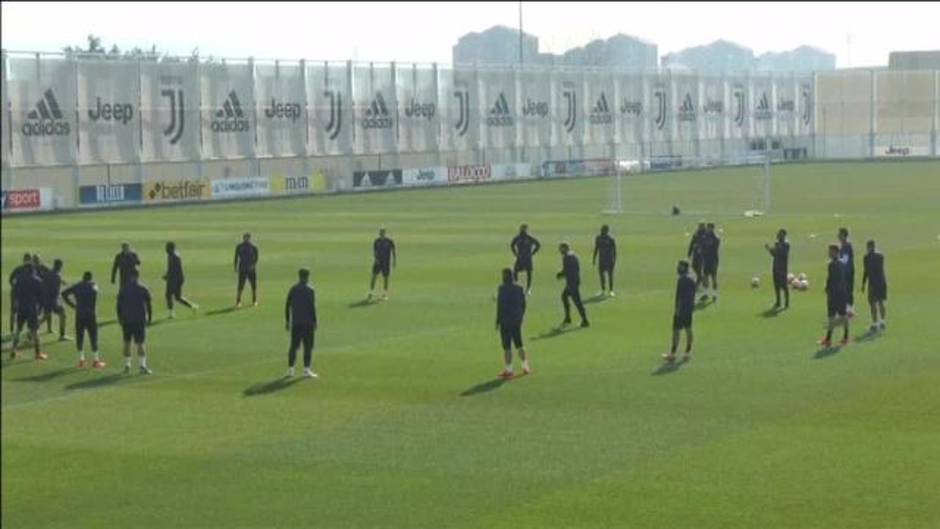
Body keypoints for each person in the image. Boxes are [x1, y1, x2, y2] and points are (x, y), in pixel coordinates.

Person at [62, 271, 105, 369]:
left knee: (80, 337)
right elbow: (96, 290)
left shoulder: (77, 286)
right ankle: (96, 361)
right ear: (90, 278)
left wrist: (72, 305)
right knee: (93, 337)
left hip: (80, 314)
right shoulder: (93, 286)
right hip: (91, 315)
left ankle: (81, 360)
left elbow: (64, 293)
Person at [9, 262, 47, 360]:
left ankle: (13, 350)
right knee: (35, 331)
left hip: (21, 307)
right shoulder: (37, 280)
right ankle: (37, 353)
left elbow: (14, 294)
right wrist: (40, 309)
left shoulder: (19, 280)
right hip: (32, 309)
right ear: (32, 269)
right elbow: (42, 297)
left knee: (18, 330)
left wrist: (15, 306)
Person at [117, 270, 153, 374]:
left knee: (127, 343)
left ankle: (127, 366)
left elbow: (118, 305)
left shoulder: (123, 289)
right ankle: (142, 367)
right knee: (140, 343)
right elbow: (149, 304)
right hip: (139, 320)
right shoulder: (143, 289)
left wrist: (119, 317)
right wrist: (149, 318)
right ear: (137, 276)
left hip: (126, 320)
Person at [496, 267, 529, 379]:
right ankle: (525, 367)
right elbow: (523, 304)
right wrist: (520, 317)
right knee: (519, 344)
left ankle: (509, 370)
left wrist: (497, 320)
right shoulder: (519, 288)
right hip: (516, 321)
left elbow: (500, 306)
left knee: (507, 347)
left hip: (505, 321)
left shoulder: (502, 288)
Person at [285, 267, 318, 378]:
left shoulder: (293, 289)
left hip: (296, 322)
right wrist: (315, 321)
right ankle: (306, 370)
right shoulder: (310, 290)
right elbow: (312, 308)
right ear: (307, 276)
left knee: (294, 346)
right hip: (307, 322)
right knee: (308, 346)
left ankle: (291, 369)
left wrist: (287, 321)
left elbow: (287, 305)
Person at [664, 260, 696, 362]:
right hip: (689, 309)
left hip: (681, 310)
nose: (678, 268)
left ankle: (673, 354)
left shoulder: (681, 280)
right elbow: (693, 296)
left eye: (680, 266)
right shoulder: (692, 280)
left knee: (676, 331)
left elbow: (680, 297)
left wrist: (678, 309)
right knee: (688, 329)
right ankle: (687, 352)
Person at [819, 245, 850, 347]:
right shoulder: (841, 263)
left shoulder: (832, 264)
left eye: (831, 252)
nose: (829, 253)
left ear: (836, 252)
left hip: (835, 294)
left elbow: (831, 279)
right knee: (842, 315)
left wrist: (828, 289)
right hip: (842, 293)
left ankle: (829, 339)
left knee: (833, 316)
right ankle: (844, 337)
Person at [556, 242, 589, 328]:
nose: (560, 250)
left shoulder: (567, 257)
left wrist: (560, 274)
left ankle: (585, 320)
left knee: (577, 301)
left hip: (572, 282)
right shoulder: (572, 255)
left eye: (561, 248)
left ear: (565, 248)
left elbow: (567, 270)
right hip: (574, 281)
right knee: (565, 296)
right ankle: (568, 318)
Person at [163, 241, 198, 318]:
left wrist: (169, 277)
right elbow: (170, 269)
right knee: (174, 297)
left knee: (172, 296)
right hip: (173, 279)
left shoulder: (175, 257)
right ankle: (191, 306)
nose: (165, 249)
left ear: (171, 248)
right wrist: (167, 275)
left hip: (175, 279)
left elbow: (175, 270)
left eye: (167, 248)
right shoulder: (170, 255)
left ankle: (172, 313)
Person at [861, 240, 888, 332]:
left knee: (872, 303)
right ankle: (882, 322)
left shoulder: (866, 257)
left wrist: (863, 283)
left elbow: (866, 271)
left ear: (870, 246)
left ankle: (875, 324)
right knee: (881, 302)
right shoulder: (880, 256)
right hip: (882, 282)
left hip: (873, 283)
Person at [39, 258, 68, 340]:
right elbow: (56, 291)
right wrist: (59, 301)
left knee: (45, 316)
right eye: (61, 266)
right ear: (59, 265)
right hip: (53, 300)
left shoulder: (48, 273)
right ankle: (62, 335)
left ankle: (31, 332)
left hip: (45, 299)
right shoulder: (57, 276)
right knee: (63, 315)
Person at [510, 224, 541, 295]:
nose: (522, 230)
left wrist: (532, 253)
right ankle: (516, 285)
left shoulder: (529, 238)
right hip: (520, 257)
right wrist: (515, 253)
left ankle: (528, 288)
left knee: (529, 272)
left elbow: (538, 244)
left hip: (527, 258)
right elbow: (512, 245)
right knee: (515, 270)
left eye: (524, 229)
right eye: (521, 229)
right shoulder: (517, 238)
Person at [368, 228, 397, 301]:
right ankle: (371, 293)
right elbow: (374, 252)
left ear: (385, 233)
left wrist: (394, 261)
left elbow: (393, 251)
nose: (382, 234)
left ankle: (385, 294)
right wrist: (376, 259)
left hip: (386, 263)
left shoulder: (389, 241)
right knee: (374, 277)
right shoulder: (376, 241)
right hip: (378, 262)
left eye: (383, 233)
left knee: (386, 278)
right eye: (381, 233)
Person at [765, 228, 790, 309]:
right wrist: (769, 249)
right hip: (775, 267)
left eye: (779, 234)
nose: (778, 235)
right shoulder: (777, 243)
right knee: (776, 285)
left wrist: (771, 249)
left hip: (782, 268)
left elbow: (779, 253)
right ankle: (778, 302)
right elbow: (774, 254)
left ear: (783, 235)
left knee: (784, 285)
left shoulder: (786, 244)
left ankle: (786, 303)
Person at [8, 253, 33, 333]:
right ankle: (28, 330)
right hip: (23, 294)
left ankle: (12, 330)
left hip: (16, 292)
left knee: (14, 311)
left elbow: (10, 280)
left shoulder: (18, 269)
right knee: (23, 311)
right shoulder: (30, 269)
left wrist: (14, 287)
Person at [234, 232, 259, 307]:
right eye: (245, 238)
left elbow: (256, 258)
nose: (246, 239)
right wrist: (235, 267)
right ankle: (238, 301)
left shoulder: (254, 247)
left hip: (251, 270)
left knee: (253, 286)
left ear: (249, 238)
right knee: (240, 286)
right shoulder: (239, 247)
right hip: (242, 269)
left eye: (247, 238)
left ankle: (254, 300)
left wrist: (253, 265)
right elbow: (236, 258)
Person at [592, 224, 617, 297]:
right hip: (601, 260)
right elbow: (596, 248)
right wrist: (594, 258)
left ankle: (611, 290)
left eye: (603, 230)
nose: (602, 231)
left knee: (610, 276)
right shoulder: (598, 238)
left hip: (609, 260)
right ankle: (603, 290)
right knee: (601, 276)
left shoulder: (611, 239)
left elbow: (614, 251)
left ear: (607, 231)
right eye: (601, 230)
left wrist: (614, 260)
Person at [837, 227, 855, 317]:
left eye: (839, 234)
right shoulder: (843, 245)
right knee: (843, 291)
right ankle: (845, 309)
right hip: (843, 272)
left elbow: (845, 260)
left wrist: (835, 261)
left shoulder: (847, 245)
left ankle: (850, 310)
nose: (838, 236)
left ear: (844, 235)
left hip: (848, 272)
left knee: (848, 290)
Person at [701, 222, 721, 302]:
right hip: (706, 260)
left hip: (713, 260)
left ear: (712, 228)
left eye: (709, 228)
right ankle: (705, 294)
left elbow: (711, 245)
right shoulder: (705, 237)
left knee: (713, 277)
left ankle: (715, 294)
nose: (708, 229)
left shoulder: (716, 238)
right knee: (705, 277)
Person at [687, 221, 706, 293]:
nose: (700, 227)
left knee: (699, 271)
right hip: (695, 255)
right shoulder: (696, 234)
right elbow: (691, 243)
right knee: (694, 267)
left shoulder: (705, 235)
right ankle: (700, 282)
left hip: (702, 256)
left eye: (701, 226)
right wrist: (689, 253)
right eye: (700, 226)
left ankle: (696, 286)